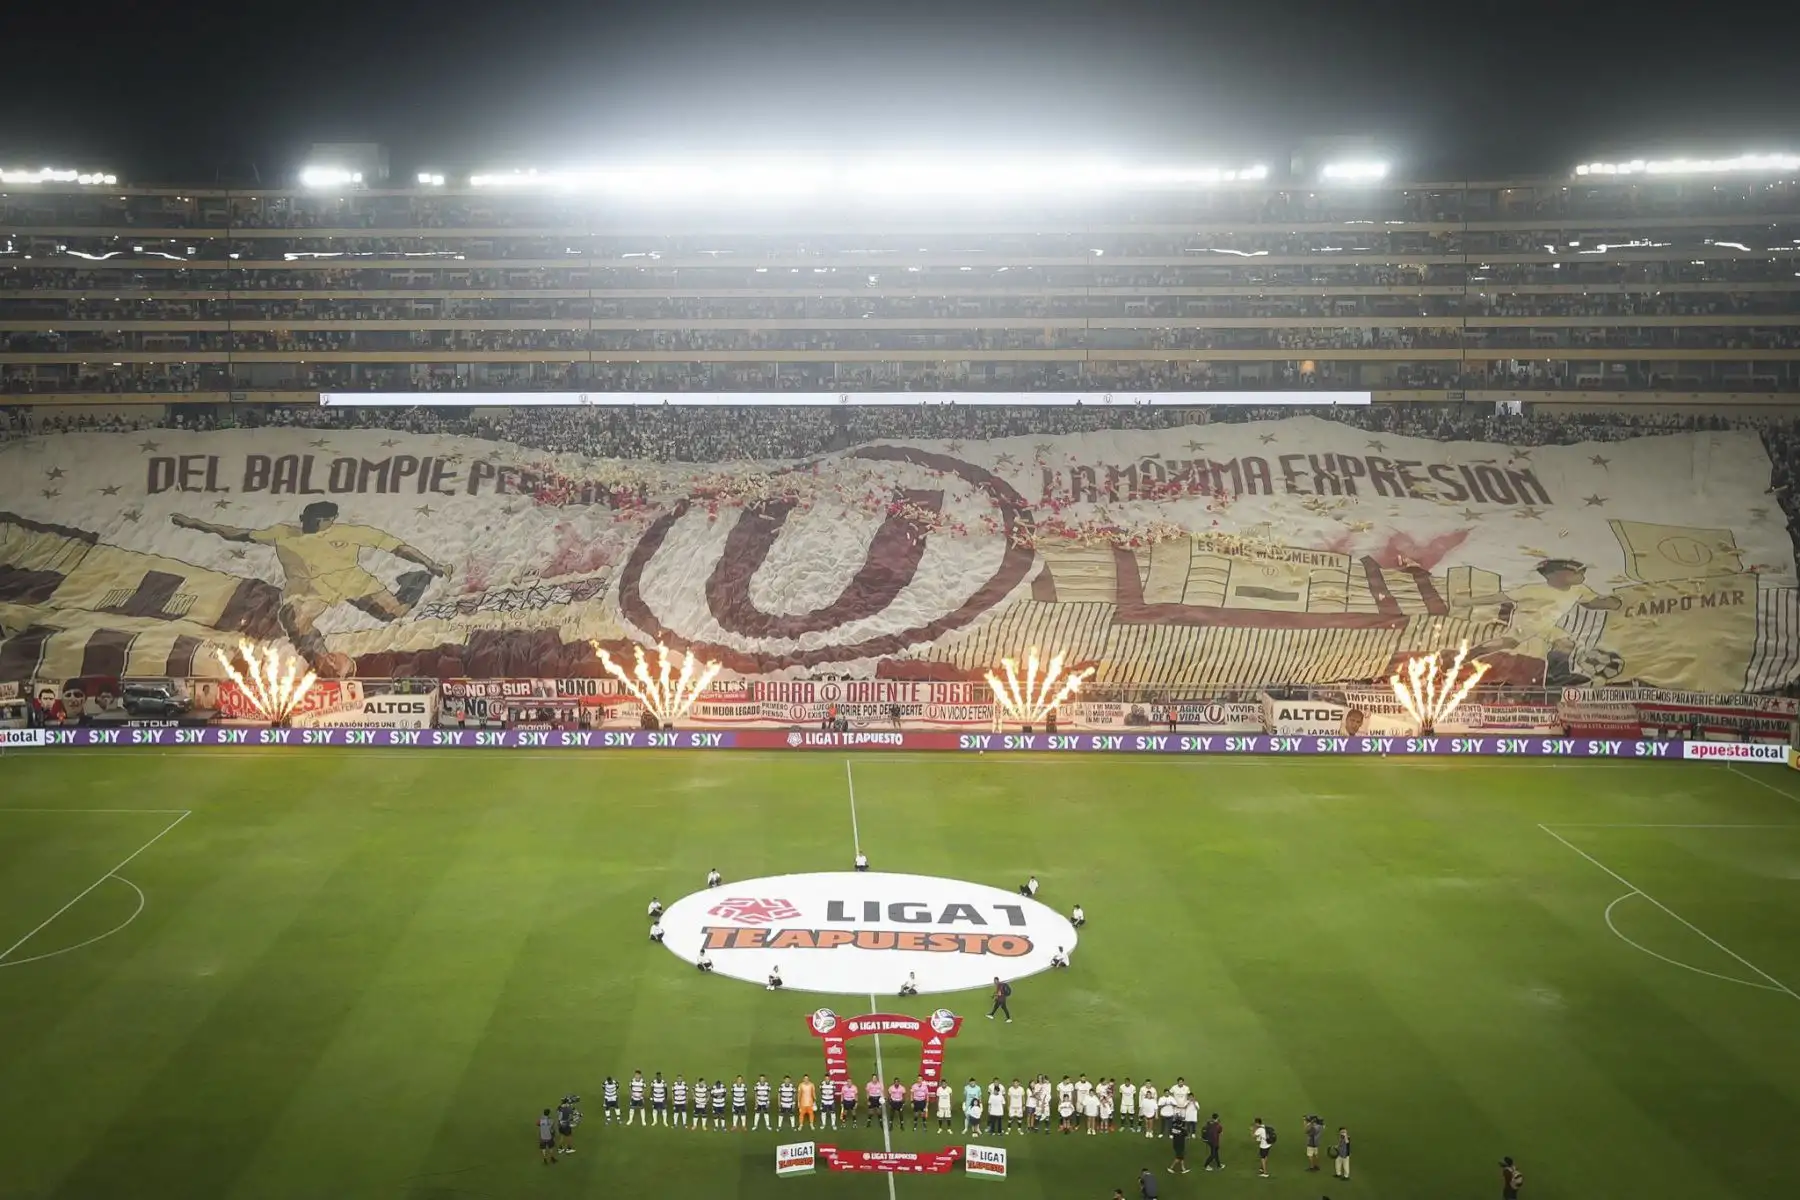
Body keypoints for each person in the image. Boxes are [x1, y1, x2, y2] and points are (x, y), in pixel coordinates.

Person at [170, 501, 450, 675]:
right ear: (310, 519)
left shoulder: (349, 532)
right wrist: (195, 523)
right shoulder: (282, 533)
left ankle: (419, 579)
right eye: (315, 521)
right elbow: (236, 534)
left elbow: (397, 547)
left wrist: (430, 564)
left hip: (350, 580)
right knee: (293, 618)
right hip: (308, 589)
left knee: (395, 612)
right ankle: (323, 663)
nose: (321, 525)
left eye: (325, 521)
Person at [1167, 1109, 1189, 1174]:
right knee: (1178, 1157)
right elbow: (1187, 1136)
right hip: (1181, 1145)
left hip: (1175, 1144)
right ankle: (1171, 1167)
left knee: (1181, 1157)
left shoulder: (1173, 1128)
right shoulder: (1183, 1130)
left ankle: (1183, 1168)